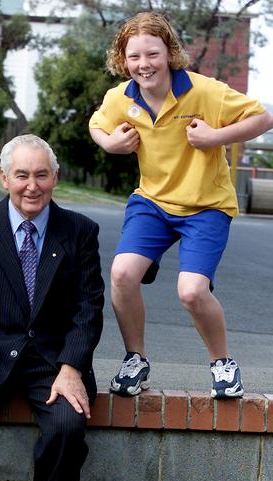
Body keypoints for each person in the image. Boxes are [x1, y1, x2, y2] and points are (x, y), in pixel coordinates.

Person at [89, 11, 273, 399]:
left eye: (152, 54)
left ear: (170, 52)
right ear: (123, 60)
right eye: (134, 56)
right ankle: (135, 359)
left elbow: (262, 118)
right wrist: (110, 144)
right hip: (152, 203)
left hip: (206, 206)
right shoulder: (121, 97)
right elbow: (97, 124)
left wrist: (215, 137)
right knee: (122, 273)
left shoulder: (205, 91)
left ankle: (222, 363)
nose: (144, 64)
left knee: (190, 291)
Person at [0, 134, 104, 481]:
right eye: (22, 175)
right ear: (4, 178)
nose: (32, 186)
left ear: (55, 178)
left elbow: (88, 308)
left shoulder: (80, 232)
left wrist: (72, 367)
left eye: (42, 175)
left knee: (66, 426)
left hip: (53, 362)